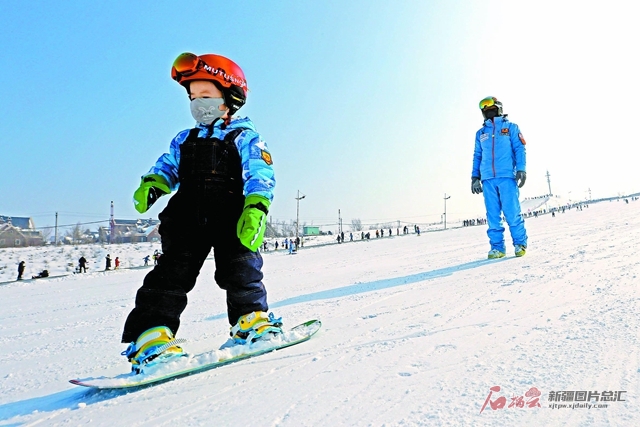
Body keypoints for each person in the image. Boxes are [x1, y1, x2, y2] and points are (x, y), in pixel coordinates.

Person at [121, 51, 281, 373]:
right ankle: (152, 336)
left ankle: (250, 322)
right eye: (193, 97)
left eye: (205, 95)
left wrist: (256, 207)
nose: (197, 104)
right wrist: (154, 182)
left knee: (241, 269)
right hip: (186, 217)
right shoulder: (184, 139)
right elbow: (168, 166)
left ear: (230, 97)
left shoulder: (245, 136)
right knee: (170, 274)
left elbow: (259, 174)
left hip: (231, 216)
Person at [471, 96, 528, 259]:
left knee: (512, 212)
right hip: (488, 179)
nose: (487, 110)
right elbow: (477, 155)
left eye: (490, 107)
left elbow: (519, 149)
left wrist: (521, 169)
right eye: (484, 108)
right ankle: (497, 248)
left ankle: (520, 243)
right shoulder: (481, 133)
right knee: (493, 215)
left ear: (498, 108)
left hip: (507, 176)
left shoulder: (511, 128)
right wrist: (475, 176)